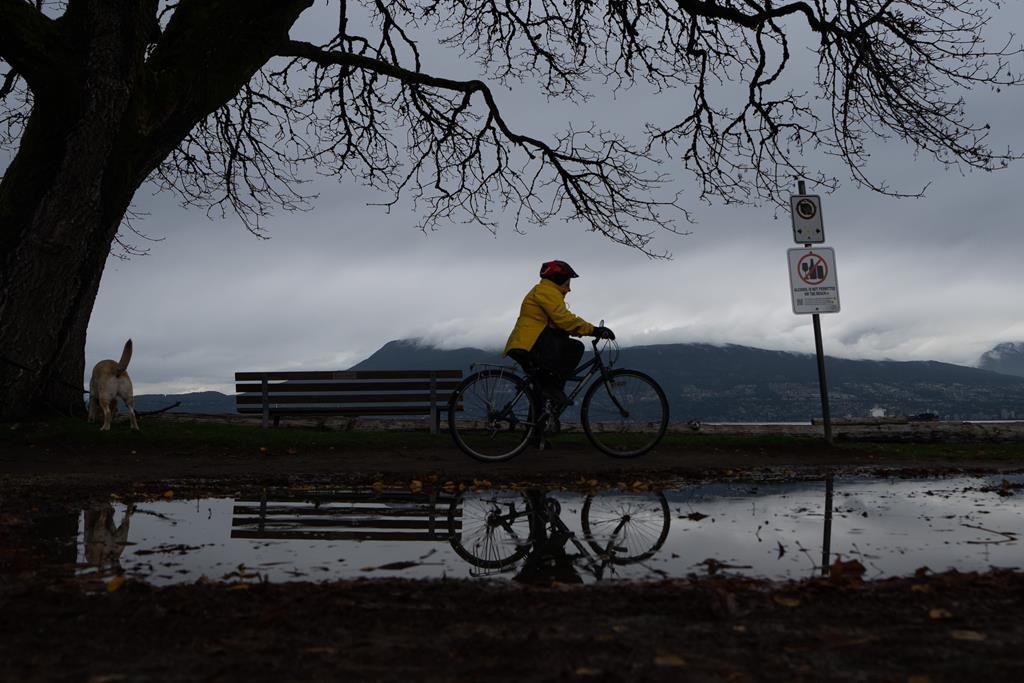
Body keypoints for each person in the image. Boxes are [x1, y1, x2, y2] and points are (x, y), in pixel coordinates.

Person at [503, 260, 615, 407]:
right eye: (567, 283)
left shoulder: (544, 291)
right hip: (531, 344)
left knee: (542, 387)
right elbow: (564, 320)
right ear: (558, 279)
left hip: (527, 344)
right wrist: (594, 330)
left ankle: (540, 417)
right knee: (575, 347)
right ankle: (554, 390)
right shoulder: (547, 292)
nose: (569, 289)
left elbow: (560, 325)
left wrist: (582, 330)